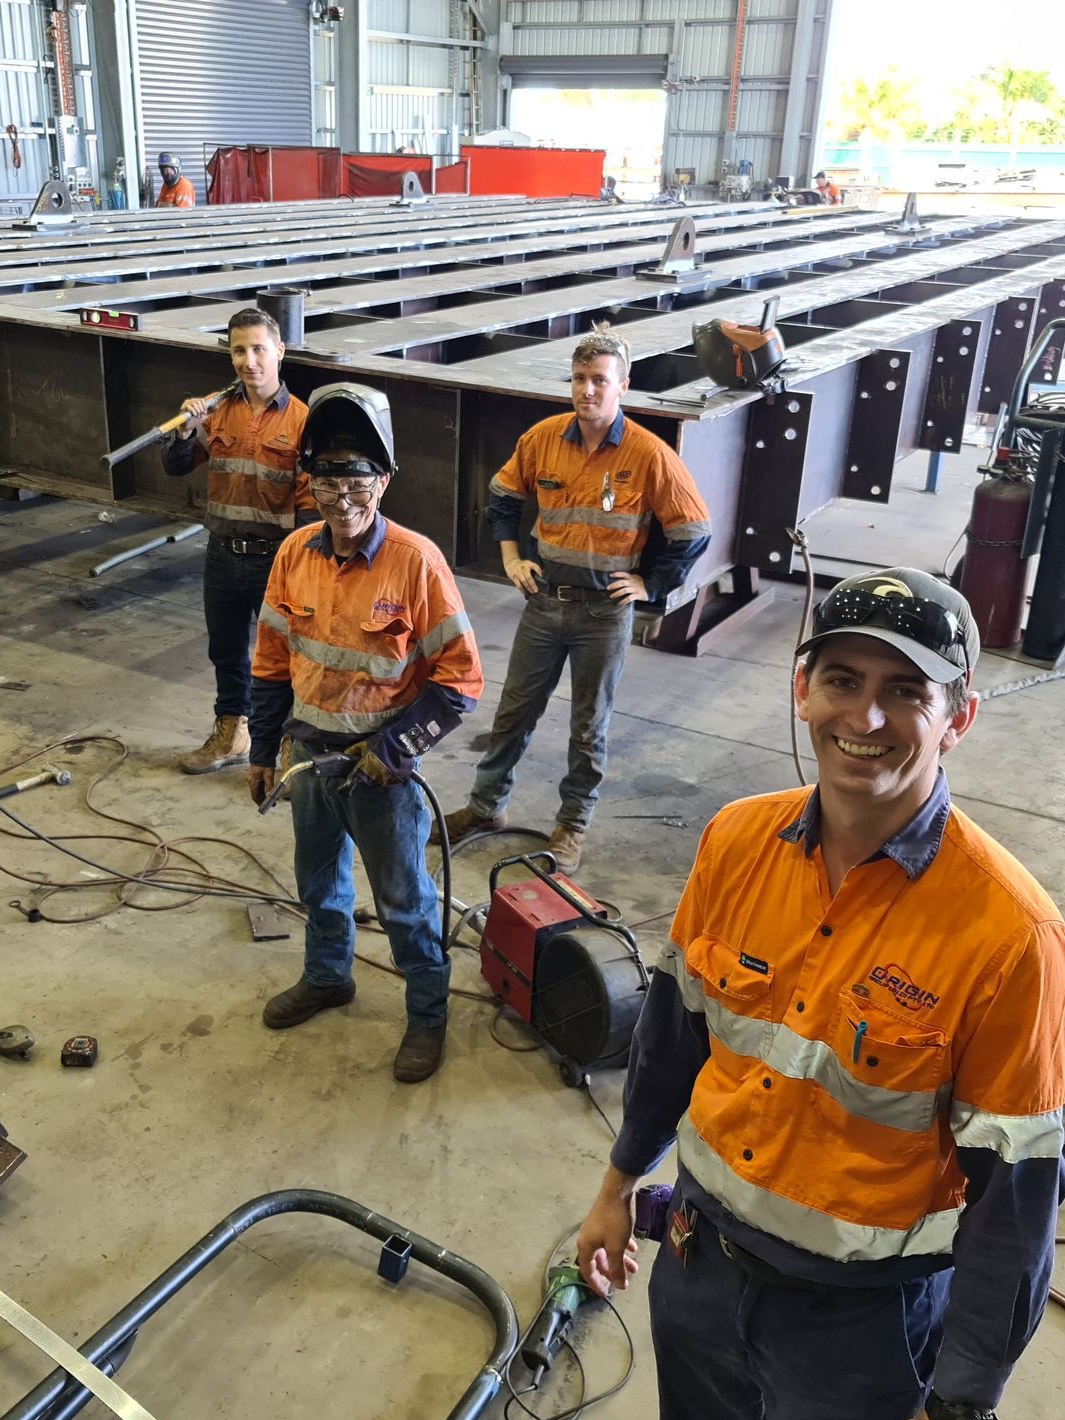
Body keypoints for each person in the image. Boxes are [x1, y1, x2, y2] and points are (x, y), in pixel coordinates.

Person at [573, 568, 1065, 1420]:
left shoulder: (1013, 939)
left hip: (859, 1329)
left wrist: (957, 1407)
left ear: (958, 718)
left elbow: (1016, 1209)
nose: (867, 719)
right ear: (802, 690)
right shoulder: (735, 841)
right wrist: (619, 1183)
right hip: (698, 1266)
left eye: (906, 692)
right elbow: (674, 1037)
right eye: (842, 681)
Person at [246, 384, 483, 1083]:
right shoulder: (294, 553)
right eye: (326, 479)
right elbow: (268, 662)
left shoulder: (416, 563)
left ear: (382, 482)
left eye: (356, 480)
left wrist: (396, 748)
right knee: (318, 884)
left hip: (380, 770)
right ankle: (328, 977)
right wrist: (263, 750)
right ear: (309, 483)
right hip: (309, 759)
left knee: (405, 900)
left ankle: (428, 1015)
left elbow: (461, 681)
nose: (340, 496)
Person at [443, 324, 711, 874]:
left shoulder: (648, 454)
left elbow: (693, 528)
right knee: (513, 713)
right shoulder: (542, 439)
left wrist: (651, 586)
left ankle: (571, 826)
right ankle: (485, 808)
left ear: (623, 387)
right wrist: (512, 557)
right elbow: (501, 496)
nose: (588, 390)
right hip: (544, 603)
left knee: (589, 727)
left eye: (600, 381)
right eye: (580, 379)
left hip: (603, 613)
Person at [162, 307, 314, 773]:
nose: (249, 361)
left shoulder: (303, 421)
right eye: (238, 351)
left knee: (286, 660)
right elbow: (176, 466)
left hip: (276, 561)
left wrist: (305, 568)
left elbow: (309, 507)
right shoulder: (215, 410)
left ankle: (288, 749)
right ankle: (232, 734)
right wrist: (185, 432)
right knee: (226, 651)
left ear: (280, 352)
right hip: (223, 555)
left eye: (258, 350)